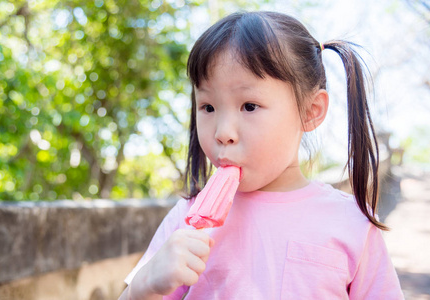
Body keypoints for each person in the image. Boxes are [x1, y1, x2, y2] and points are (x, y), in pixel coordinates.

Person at [119, 11, 403, 299]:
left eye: (249, 106)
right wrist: (143, 286)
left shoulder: (352, 223)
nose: (222, 132)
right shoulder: (186, 219)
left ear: (310, 111)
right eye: (208, 107)